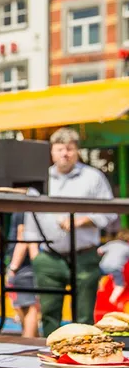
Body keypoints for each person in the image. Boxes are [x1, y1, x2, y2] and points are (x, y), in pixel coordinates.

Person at [24, 128, 118, 335]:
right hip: (48, 257)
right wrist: (35, 255)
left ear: (77, 151)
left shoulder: (93, 177)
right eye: (59, 149)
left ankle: (81, 360)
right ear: (52, 152)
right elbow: (30, 220)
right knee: (49, 315)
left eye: (69, 149)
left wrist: (84, 220)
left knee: (84, 317)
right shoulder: (40, 179)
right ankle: (49, 360)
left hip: (84, 255)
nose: (64, 154)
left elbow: (111, 213)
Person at [6, 212, 40, 338]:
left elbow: (23, 238)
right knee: (25, 307)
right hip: (27, 266)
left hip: (23, 267)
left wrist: (13, 267)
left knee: (28, 307)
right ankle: (34, 341)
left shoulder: (22, 211)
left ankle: (28, 343)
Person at [98, 229, 129, 306]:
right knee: (120, 285)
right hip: (116, 268)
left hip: (103, 266)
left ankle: (99, 289)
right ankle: (112, 300)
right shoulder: (127, 247)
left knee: (100, 278)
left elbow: (99, 250)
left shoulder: (112, 243)